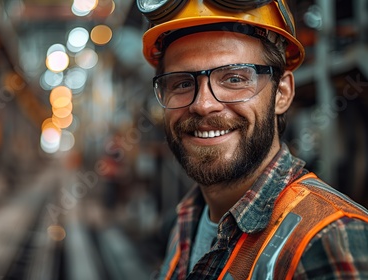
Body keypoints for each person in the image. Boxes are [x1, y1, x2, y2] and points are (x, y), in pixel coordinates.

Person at [136, 0, 368, 279]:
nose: (203, 105)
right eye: (183, 83)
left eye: (234, 78)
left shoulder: (332, 238)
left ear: (282, 93)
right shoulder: (187, 220)